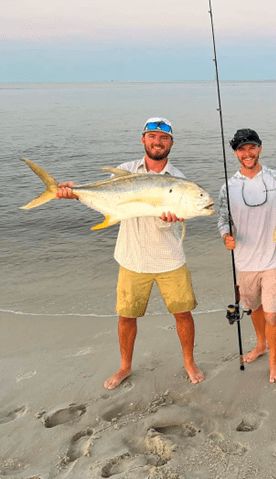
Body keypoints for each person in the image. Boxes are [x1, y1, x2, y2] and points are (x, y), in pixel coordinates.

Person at [56, 117, 204, 389]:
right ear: (143, 139)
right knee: (126, 317)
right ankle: (124, 366)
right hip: (132, 258)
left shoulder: (179, 180)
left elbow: (175, 214)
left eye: (163, 138)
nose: (157, 142)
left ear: (171, 143)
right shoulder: (126, 170)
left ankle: (189, 361)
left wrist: (172, 218)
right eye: (152, 136)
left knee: (183, 313)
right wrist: (76, 193)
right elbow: (110, 203)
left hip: (170, 259)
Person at [218, 129, 276, 383]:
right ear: (235, 153)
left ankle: (274, 363)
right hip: (244, 262)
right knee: (254, 307)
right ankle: (261, 345)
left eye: (252, 147)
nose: (247, 153)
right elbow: (222, 219)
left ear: (260, 148)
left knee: (273, 314)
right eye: (241, 149)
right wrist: (225, 234)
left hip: (274, 260)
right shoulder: (228, 187)